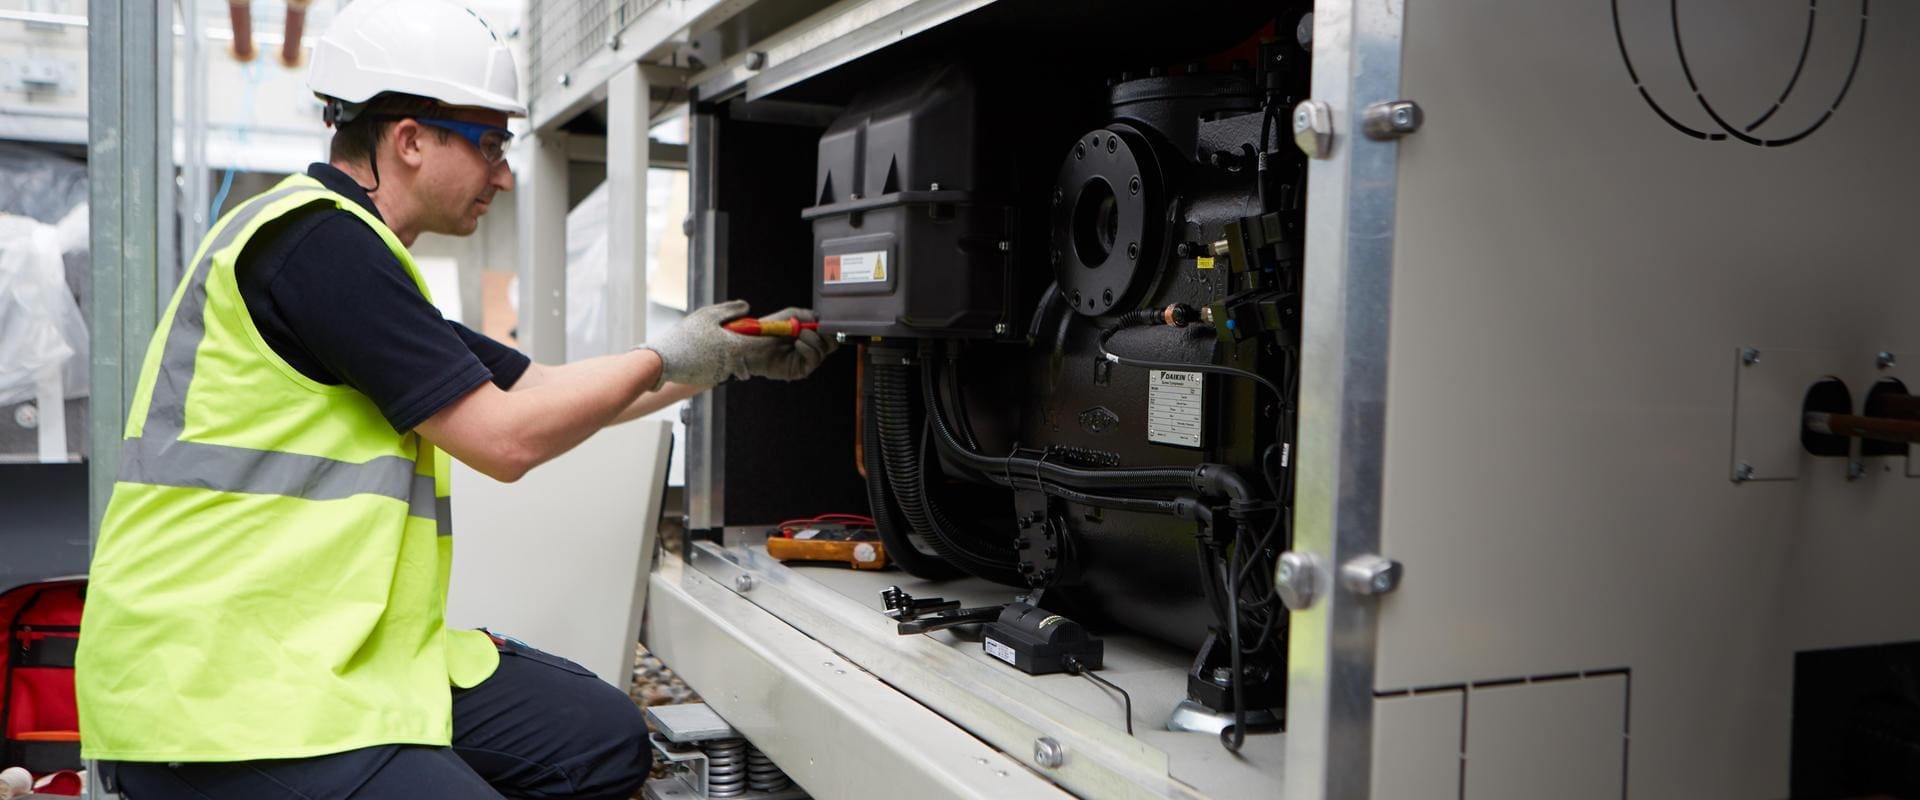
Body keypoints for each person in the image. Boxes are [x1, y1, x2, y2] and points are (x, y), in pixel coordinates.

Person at [72, 1, 831, 797]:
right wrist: (664, 354)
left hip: (329, 655)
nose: (504, 173)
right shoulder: (317, 248)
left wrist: (719, 365)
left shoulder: (357, 260)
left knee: (600, 739)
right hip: (220, 691)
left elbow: (538, 390)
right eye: (491, 145)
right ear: (408, 140)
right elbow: (505, 439)